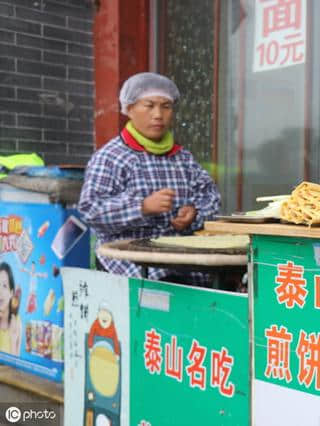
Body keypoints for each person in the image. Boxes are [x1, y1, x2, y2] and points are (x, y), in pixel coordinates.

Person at [78, 72, 221, 286]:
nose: (158, 115)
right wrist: (142, 207)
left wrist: (194, 214)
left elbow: (210, 196)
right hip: (128, 255)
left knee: (218, 281)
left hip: (178, 253)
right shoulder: (111, 157)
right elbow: (90, 210)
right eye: (149, 105)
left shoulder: (182, 158)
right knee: (167, 287)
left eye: (166, 106)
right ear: (129, 109)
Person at [0, 262, 21, 355]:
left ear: (11, 293)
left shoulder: (17, 323)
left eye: (4, 286)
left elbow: (16, 367)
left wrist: (13, 339)